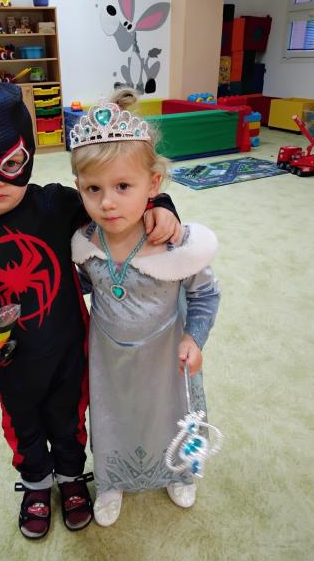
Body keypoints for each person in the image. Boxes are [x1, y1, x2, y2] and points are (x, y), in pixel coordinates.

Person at [0, 76, 185, 540]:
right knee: (23, 425)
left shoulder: (53, 204)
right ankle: (36, 483)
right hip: (10, 365)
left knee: (70, 420)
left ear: (28, 152)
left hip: (71, 350)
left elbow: (113, 202)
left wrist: (162, 203)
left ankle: (71, 476)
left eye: (11, 163)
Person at [70, 89, 221, 527]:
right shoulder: (83, 244)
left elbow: (206, 293)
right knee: (111, 417)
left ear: (153, 185)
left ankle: (183, 471)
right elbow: (84, 287)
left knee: (178, 414)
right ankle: (112, 480)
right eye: (93, 189)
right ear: (79, 188)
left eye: (123, 186)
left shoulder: (174, 244)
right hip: (109, 359)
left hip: (167, 355)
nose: (107, 202)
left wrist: (194, 338)